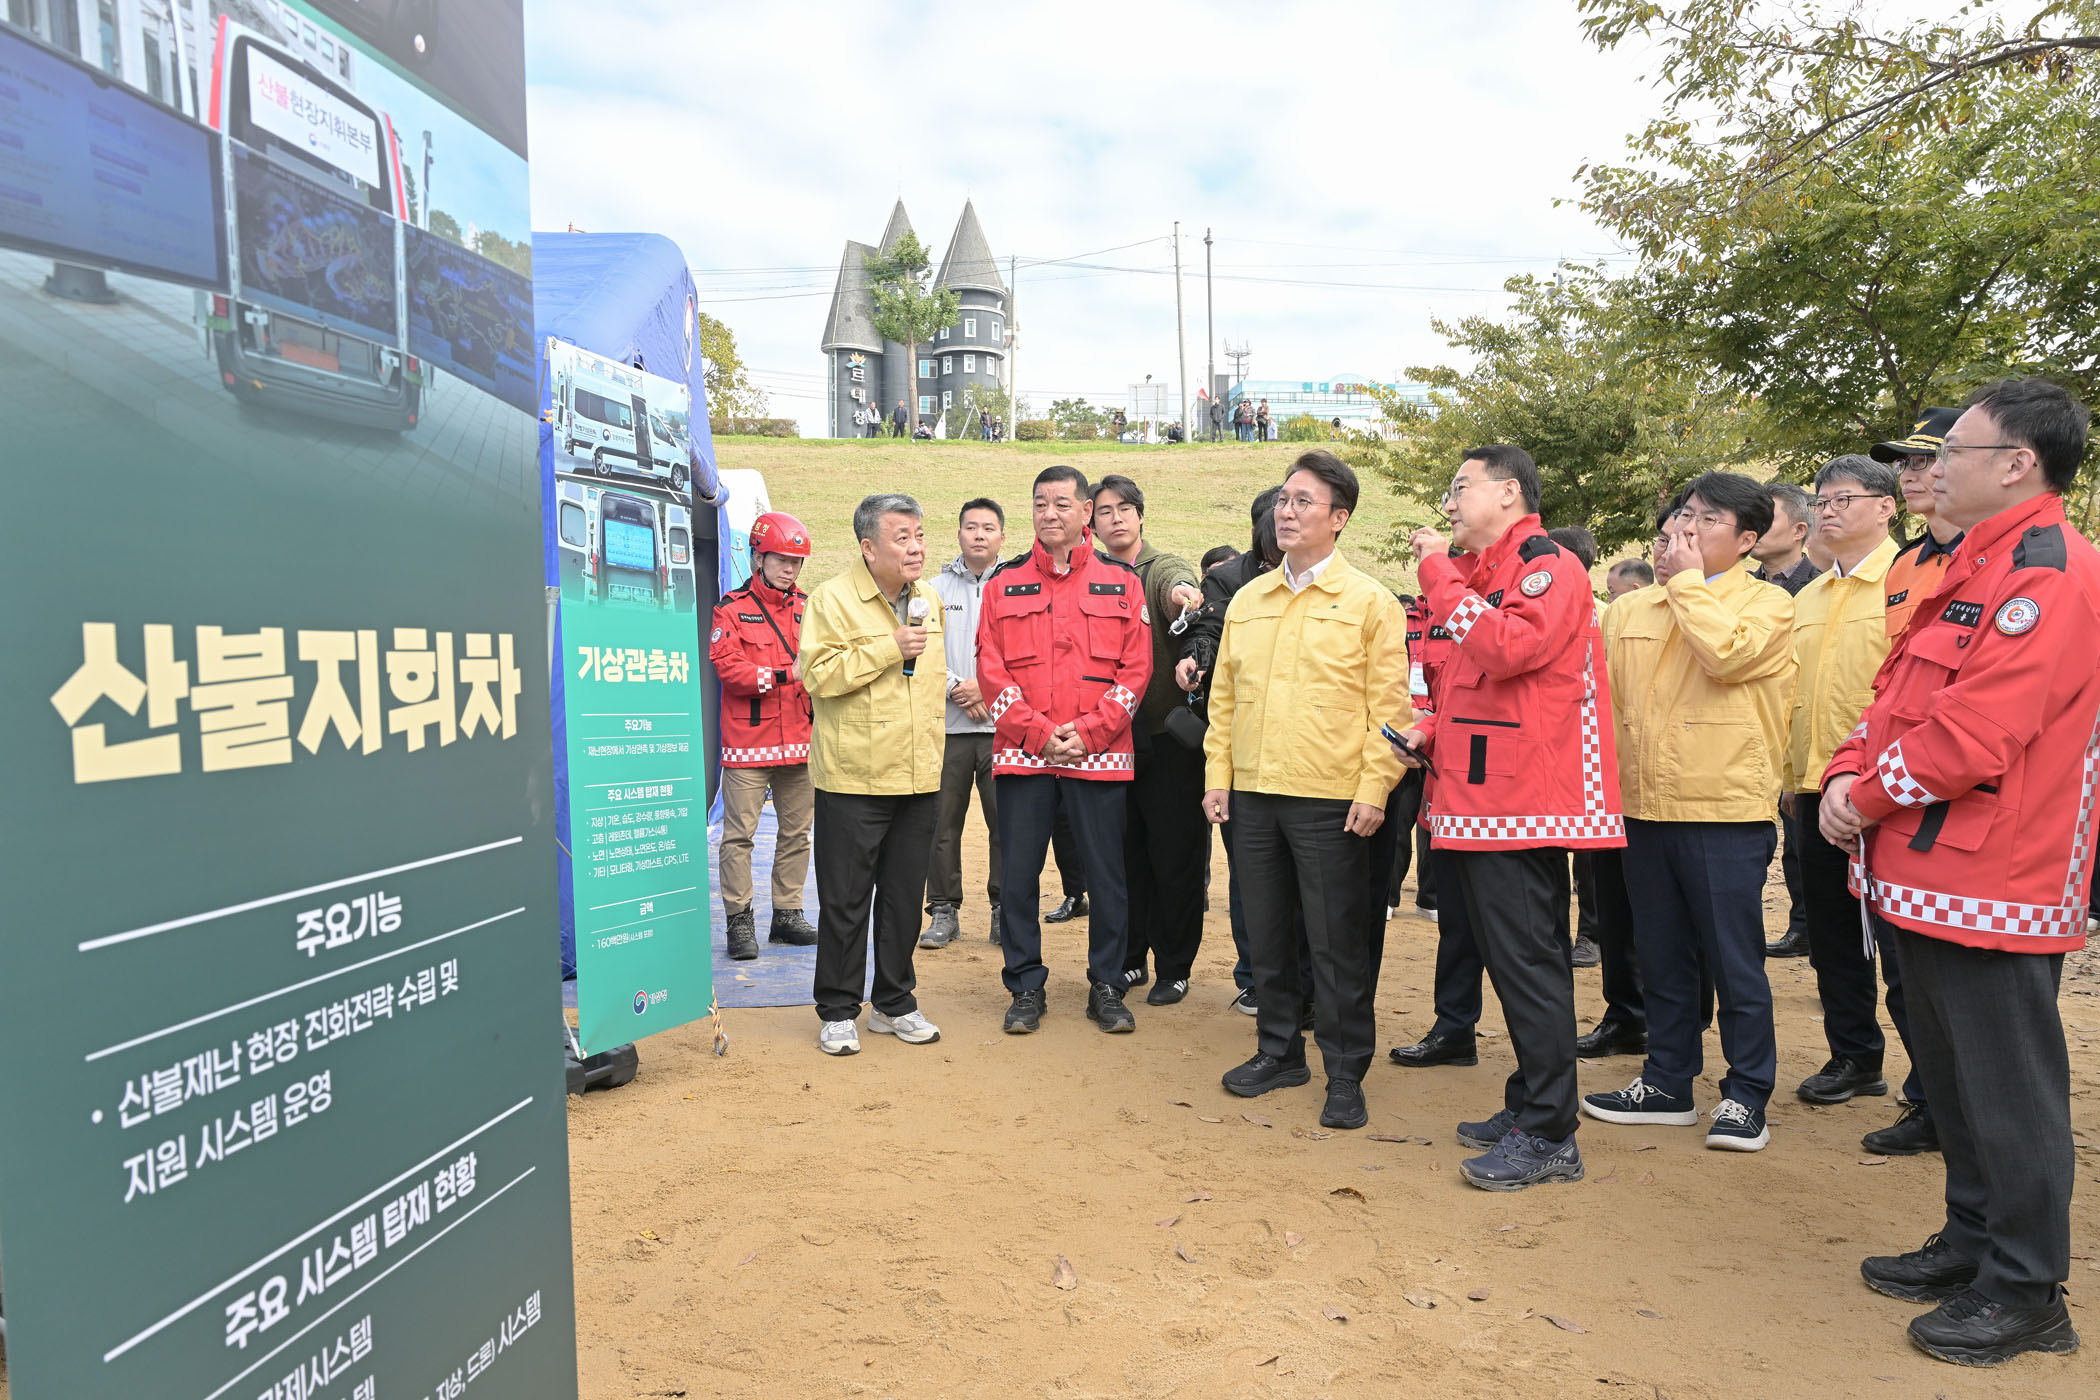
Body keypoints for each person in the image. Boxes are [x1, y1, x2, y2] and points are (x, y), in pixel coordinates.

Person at [1826, 379, 2096, 1367]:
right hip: (1924, 864)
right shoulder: (1968, 564)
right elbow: (1895, 696)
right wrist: (1846, 769)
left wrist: (1863, 796)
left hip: (1998, 879)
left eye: (1955, 452)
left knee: (2009, 1092)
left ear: (2019, 464)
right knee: (1952, 1080)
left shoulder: (2052, 573)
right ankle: (1973, 1240)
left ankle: (2027, 1290)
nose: (1932, 470)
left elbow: (1976, 733)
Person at [1393, 445, 1625, 1189]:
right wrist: (1430, 732)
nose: (1449, 503)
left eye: (1461, 487)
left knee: (1529, 966)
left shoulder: (1547, 566)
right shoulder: (1490, 573)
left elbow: (1506, 649)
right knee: (1514, 961)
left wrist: (1437, 573)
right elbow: (1476, 688)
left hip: (1519, 805)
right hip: (1480, 798)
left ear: (1509, 493)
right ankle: (1531, 1102)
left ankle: (1552, 1132)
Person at [1584, 472, 1795, 1153]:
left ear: (1748, 539)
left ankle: (1746, 1094)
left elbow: (1726, 656)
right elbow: (1605, 702)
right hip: (1643, 807)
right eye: (1684, 516)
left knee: (1734, 961)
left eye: (1706, 520)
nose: (1686, 529)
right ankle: (1667, 1082)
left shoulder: (1768, 606)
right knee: (1662, 955)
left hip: (1724, 809)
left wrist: (1687, 585)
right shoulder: (1629, 610)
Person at [1206, 451, 1406, 1131]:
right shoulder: (1248, 600)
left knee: (1335, 942)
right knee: (1265, 935)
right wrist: (1218, 777)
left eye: (1303, 502)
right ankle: (1279, 1051)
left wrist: (1374, 789)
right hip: (1255, 794)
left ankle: (1345, 1072)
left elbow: (1389, 711)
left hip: (1331, 799)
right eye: (1282, 501)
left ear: (1339, 518)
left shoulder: (1370, 602)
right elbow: (1224, 700)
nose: (1285, 513)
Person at [1779, 456, 1936, 1152]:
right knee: (1834, 940)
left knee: (1902, 950)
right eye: (1821, 501)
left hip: (1890, 794)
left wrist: (1879, 786)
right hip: (1815, 790)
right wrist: (1791, 777)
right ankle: (1854, 1056)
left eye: (1844, 499)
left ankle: (1931, 1085)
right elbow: (1795, 694)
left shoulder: (1912, 584)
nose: (1829, 511)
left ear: (1886, 507)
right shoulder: (1808, 596)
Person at [977, 466, 1153, 1035]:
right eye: (1039, 503)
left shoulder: (1121, 581)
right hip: (1024, 756)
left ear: (1086, 513)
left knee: (1107, 877)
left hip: (1099, 757)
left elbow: (1136, 669)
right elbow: (990, 671)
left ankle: (1108, 985)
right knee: (1019, 877)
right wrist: (1037, 733)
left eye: (1060, 503)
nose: (1048, 513)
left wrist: (1092, 732)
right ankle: (1025, 987)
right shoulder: (1003, 583)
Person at [798, 494, 948, 1056]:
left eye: (919, 535)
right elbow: (817, 675)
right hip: (853, 778)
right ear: (868, 547)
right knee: (846, 900)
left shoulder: (928, 598)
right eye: (901, 537)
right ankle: (838, 1009)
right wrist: (889, 647)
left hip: (917, 775)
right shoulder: (832, 599)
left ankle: (894, 1002)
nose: (916, 548)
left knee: (905, 899)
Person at [1178, 490, 1301, 1015]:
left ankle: (1305, 983)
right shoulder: (1229, 581)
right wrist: (1195, 660)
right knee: (1251, 874)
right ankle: (1254, 976)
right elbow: (1207, 631)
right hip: (1243, 748)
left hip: (1303, 752)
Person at [1091, 475, 1206, 1002]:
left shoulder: (1159, 567)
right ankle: (1130, 959)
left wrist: (1184, 595)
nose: (1115, 518)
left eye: (1124, 509)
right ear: (1091, 523)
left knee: (1175, 856)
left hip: (1165, 740)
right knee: (1121, 857)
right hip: (1106, 739)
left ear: (1140, 515)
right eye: (1104, 511)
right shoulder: (1089, 574)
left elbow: (1175, 584)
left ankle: (1174, 966)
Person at [710, 512, 820, 960]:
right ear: (758, 558)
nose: (790, 569)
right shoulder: (730, 609)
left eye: (797, 561)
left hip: (801, 741)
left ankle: (787, 915)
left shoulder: (810, 608)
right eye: (781, 559)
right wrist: (783, 674)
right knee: (739, 837)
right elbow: (729, 669)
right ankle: (739, 921)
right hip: (748, 744)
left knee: (797, 834)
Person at [924, 498, 1007, 949]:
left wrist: (988, 690)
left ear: (1002, 536)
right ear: (958, 533)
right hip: (948, 728)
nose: (979, 535)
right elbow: (923, 652)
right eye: (971, 527)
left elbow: (1030, 655)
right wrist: (959, 687)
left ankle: (1004, 910)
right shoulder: (932, 589)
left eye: (988, 528)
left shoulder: (1018, 587)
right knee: (942, 825)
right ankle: (943, 910)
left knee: (1007, 825)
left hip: (1005, 731)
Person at [1749, 481, 1822, 958]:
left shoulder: (1821, 586)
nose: (1755, 527)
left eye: (1767, 517)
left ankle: (1809, 928)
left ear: (1799, 530)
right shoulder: (1743, 587)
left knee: (1803, 843)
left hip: (1803, 734)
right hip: (1755, 732)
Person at [1548, 526, 1606, 972]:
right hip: (1548, 746)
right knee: (1545, 848)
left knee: (1590, 856)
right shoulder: (1536, 608)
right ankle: (1549, 934)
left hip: (1590, 748)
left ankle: (1591, 934)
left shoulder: (1607, 615)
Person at [1873, 407, 1967, 634]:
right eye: (1903, 464)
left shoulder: (1998, 557)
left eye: (1921, 461)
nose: (1905, 477)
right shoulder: (1903, 565)